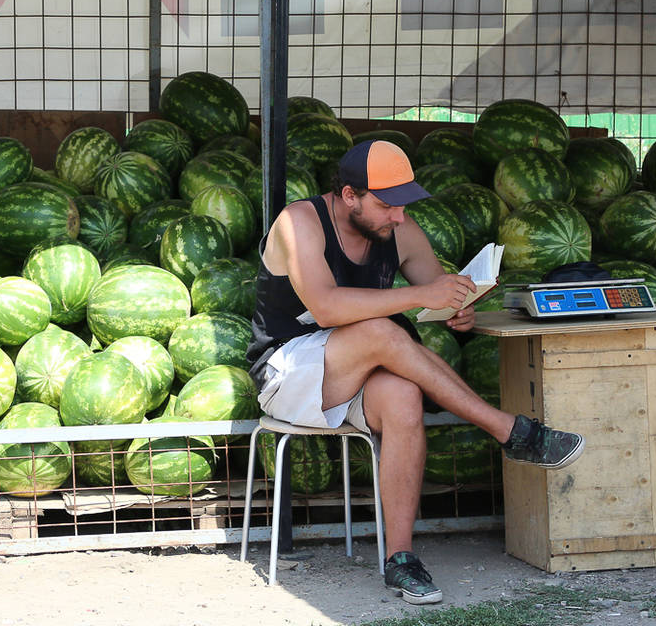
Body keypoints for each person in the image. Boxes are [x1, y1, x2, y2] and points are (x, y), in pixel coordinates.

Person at [247, 139, 585, 605]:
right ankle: (509, 431)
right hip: (287, 374)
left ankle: (401, 559)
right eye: (387, 205)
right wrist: (419, 296)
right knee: (382, 332)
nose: (399, 217)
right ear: (350, 196)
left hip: (358, 374)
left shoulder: (398, 231)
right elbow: (325, 308)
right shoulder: (299, 222)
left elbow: (440, 291)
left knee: (405, 395)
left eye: (404, 205)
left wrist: (459, 307)